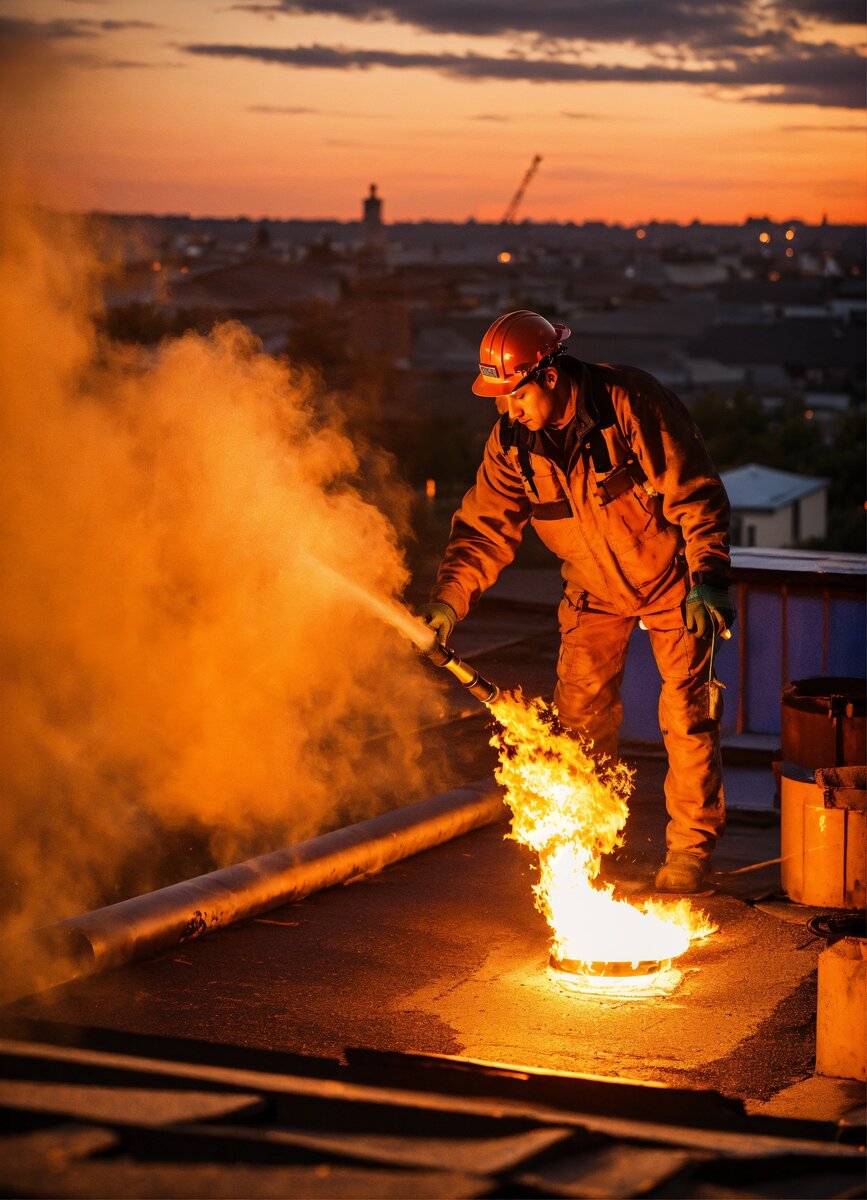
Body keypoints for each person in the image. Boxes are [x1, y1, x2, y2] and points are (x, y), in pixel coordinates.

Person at [418, 310, 734, 894]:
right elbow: (485, 531)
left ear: (551, 376)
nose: (505, 409)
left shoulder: (628, 403)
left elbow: (696, 492)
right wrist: (448, 604)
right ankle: (587, 850)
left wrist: (708, 577)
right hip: (592, 589)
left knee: (687, 717)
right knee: (579, 720)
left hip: (670, 581)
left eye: (513, 395)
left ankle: (689, 852)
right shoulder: (512, 443)